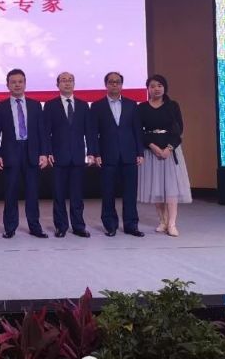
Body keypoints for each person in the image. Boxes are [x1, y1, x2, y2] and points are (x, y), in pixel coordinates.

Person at [0, 68, 50, 239]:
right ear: (7, 85)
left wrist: (44, 153)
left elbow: (42, 131)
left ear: (25, 84)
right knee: (10, 192)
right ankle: (10, 227)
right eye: (13, 82)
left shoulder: (35, 105)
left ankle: (35, 226)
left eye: (20, 82)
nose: (17, 85)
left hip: (32, 152)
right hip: (10, 152)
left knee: (32, 192)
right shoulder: (0, 107)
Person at [90, 72, 145, 238]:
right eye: (111, 82)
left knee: (130, 193)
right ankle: (110, 225)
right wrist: (95, 153)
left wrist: (140, 152)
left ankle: (131, 225)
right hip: (107, 155)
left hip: (129, 154)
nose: (114, 84)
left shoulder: (132, 105)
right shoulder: (97, 106)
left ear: (121, 85)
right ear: (106, 84)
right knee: (108, 192)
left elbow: (137, 130)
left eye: (118, 82)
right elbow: (93, 133)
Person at [43, 72, 97, 238]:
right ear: (57, 85)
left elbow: (89, 132)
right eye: (63, 80)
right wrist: (47, 151)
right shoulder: (50, 105)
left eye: (70, 80)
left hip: (78, 156)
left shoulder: (83, 105)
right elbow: (45, 132)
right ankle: (61, 226)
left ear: (74, 83)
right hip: (58, 156)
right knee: (59, 195)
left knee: (77, 195)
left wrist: (92, 152)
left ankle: (79, 226)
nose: (67, 83)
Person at [137, 74, 192, 237]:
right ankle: (162, 221)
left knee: (171, 189)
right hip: (151, 151)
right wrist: (152, 146)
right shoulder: (142, 108)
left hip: (170, 151)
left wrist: (169, 148)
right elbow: (139, 131)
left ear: (165, 88)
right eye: (152, 86)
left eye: (159, 85)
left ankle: (172, 223)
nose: (156, 89)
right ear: (148, 89)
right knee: (157, 188)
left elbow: (179, 130)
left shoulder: (172, 106)